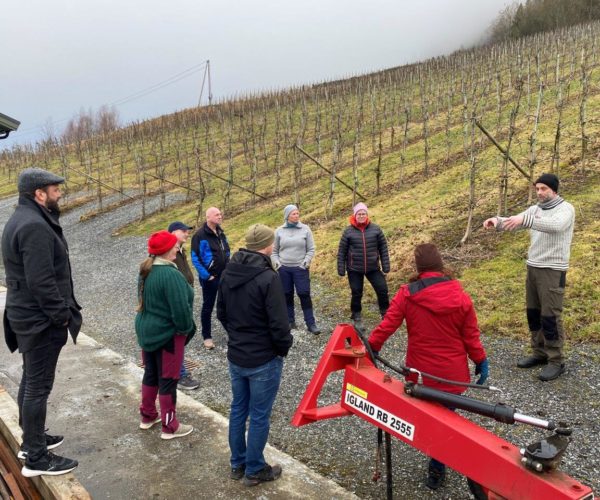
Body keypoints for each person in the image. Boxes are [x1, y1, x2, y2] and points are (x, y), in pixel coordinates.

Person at [368, 243, 488, 490]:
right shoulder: (461, 295)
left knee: (432, 420)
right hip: (454, 376)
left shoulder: (407, 293)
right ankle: (440, 462)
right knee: (448, 416)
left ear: (418, 266)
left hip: (421, 375)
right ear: (440, 264)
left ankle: (438, 466)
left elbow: (388, 324)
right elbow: (471, 336)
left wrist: (371, 347)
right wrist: (480, 360)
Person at [1, 167, 82, 477]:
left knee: (31, 379)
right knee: (38, 386)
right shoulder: (34, 225)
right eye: (54, 188)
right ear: (39, 193)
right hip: (39, 321)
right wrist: (61, 316)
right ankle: (36, 459)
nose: (59, 193)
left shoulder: (23, 218)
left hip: (27, 315)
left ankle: (31, 440)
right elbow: (41, 281)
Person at [217, 223, 293, 487]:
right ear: (266, 245)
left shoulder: (229, 271)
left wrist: (238, 336)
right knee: (259, 414)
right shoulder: (268, 277)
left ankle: (238, 463)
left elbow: (222, 314)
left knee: (238, 409)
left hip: (237, 355)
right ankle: (254, 469)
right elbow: (279, 324)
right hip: (263, 358)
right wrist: (281, 348)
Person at [483, 173, 574, 382]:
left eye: (544, 189)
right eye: (537, 189)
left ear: (554, 190)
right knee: (534, 313)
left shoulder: (566, 209)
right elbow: (516, 221)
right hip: (533, 267)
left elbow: (555, 226)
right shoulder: (535, 210)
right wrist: (496, 221)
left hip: (553, 270)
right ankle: (539, 352)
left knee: (550, 316)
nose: (540, 192)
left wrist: (525, 219)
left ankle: (556, 360)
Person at [135, 230, 196, 440]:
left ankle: (147, 416)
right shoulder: (171, 274)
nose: (177, 248)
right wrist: (186, 329)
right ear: (165, 250)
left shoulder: (146, 270)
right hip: (167, 335)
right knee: (168, 379)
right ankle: (170, 426)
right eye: (174, 246)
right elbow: (181, 312)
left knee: (151, 373)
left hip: (147, 331)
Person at [337, 202, 390, 329]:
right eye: (359, 214)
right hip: (354, 268)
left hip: (373, 267)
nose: (361, 216)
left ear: (367, 215)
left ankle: (385, 314)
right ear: (355, 215)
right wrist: (341, 268)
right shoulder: (348, 231)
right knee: (356, 292)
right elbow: (342, 251)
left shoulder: (376, 229)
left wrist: (386, 265)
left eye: (364, 213)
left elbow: (383, 248)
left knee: (382, 290)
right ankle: (356, 315)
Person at [272, 204, 320, 334]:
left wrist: (305, 263)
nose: (297, 215)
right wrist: (278, 265)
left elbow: (311, 249)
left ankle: (310, 323)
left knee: (304, 294)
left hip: (300, 268)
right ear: (287, 216)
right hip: (284, 269)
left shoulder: (305, 229)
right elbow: (274, 251)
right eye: (294, 213)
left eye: (298, 213)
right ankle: (290, 321)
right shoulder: (279, 231)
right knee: (286, 294)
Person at [191, 207, 230, 349]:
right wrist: (207, 276)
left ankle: (231, 332)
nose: (220, 216)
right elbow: (195, 258)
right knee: (208, 307)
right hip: (210, 279)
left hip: (224, 276)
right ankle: (207, 336)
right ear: (208, 217)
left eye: (220, 214)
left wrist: (229, 268)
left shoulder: (221, 232)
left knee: (227, 304)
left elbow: (227, 250)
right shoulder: (199, 235)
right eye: (217, 214)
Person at [167, 221, 199, 391]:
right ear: (173, 232)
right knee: (178, 336)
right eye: (183, 230)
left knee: (181, 337)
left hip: (185, 298)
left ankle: (177, 370)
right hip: (178, 301)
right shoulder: (169, 253)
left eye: (188, 231)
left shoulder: (180, 250)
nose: (187, 233)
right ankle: (179, 374)